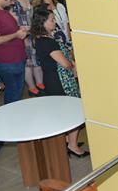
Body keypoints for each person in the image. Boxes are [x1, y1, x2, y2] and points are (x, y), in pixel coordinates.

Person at [31, 8, 89, 157]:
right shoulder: (47, 42)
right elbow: (64, 63)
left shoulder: (39, 39)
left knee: (63, 113)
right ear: (42, 22)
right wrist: (74, 67)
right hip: (60, 81)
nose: (54, 21)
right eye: (51, 19)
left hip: (51, 79)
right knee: (73, 113)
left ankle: (67, 141)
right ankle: (73, 146)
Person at [10, 0, 44, 96]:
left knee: (37, 60)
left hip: (32, 33)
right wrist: (21, 36)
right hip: (22, 36)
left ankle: (40, 83)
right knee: (28, 63)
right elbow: (13, 23)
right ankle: (31, 86)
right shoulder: (13, 3)